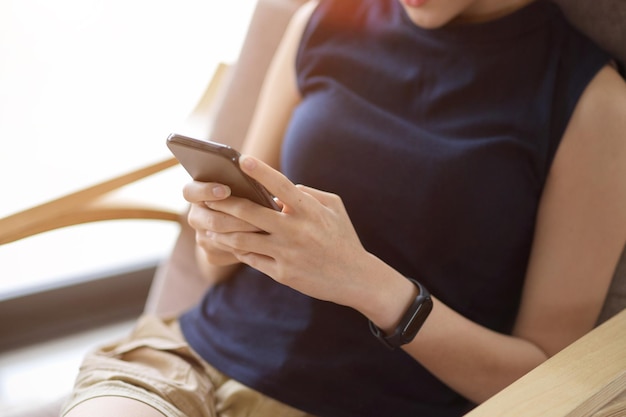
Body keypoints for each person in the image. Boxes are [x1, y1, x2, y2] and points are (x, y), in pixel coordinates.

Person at [62, 0, 626, 416]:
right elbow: (221, 261)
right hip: (187, 366)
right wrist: (223, 229)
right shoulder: (323, 19)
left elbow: (549, 380)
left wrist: (366, 284)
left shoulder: (592, 106)